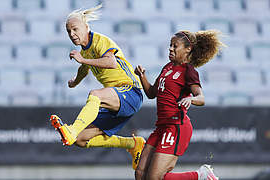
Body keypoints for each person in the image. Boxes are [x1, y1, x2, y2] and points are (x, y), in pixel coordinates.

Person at [49, 4, 145, 170]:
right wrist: (74, 82)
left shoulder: (100, 41)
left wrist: (83, 60)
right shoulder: (85, 51)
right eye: (68, 31)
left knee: (95, 94)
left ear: (86, 27)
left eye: (75, 29)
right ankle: (133, 143)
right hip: (115, 101)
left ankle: (71, 130)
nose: (72, 34)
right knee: (80, 140)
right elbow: (83, 70)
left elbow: (111, 62)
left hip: (131, 91)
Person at [134, 30, 225, 180]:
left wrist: (191, 99)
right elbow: (151, 93)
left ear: (188, 49)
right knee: (140, 173)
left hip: (176, 126)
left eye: (175, 46)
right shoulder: (167, 67)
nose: (170, 48)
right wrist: (142, 76)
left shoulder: (189, 71)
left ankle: (200, 175)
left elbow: (201, 98)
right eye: (170, 45)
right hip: (161, 127)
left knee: (154, 177)